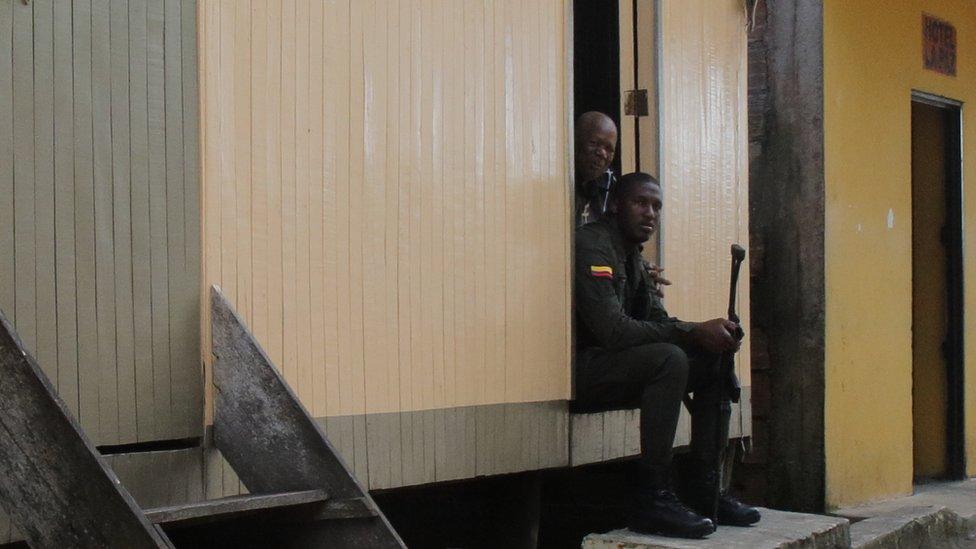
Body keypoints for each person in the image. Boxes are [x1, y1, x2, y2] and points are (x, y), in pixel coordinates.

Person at [573, 172, 760, 538]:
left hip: (616, 369)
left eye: (656, 206)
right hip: (582, 372)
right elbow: (612, 331)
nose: (650, 213)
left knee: (712, 361)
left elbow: (657, 320)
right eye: (640, 203)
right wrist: (692, 332)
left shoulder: (632, 254)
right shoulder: (594, 245)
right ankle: (652, 498)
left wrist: (711, 336)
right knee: (668, 358)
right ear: (615, 206)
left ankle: (706, 491)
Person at [574, 111, 618, 226]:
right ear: (575, 141)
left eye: (609, 149)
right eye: (594, 143)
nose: (602, 153)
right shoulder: (557, 182)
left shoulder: (611, 185)